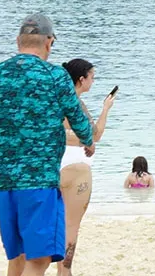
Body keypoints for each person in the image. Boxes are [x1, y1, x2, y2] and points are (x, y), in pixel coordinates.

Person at [0, 14, 94, 276]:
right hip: (39, 181)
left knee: (18, 258)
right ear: (49, 43)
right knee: (39, 260)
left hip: (4, 182)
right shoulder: (56, 76)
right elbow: (79, 121)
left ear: (18, 41)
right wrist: (88, 141)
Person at [57, 58, 116, 276]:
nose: (93, 81)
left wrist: (105, 108)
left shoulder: (58, 100)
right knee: (71, 226)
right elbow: (93, 136)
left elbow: (93, 136)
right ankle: (65, 272)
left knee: (55, 224)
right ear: (81, 79)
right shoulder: (73, 104)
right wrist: (84, 139)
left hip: (55, 165)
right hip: (75, 168)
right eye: (92, 77)